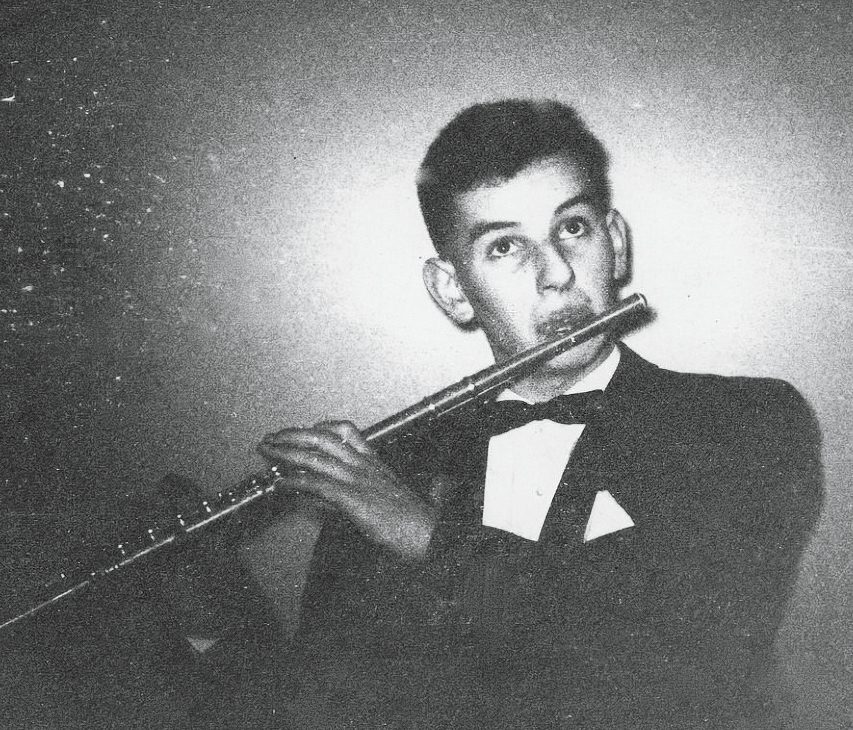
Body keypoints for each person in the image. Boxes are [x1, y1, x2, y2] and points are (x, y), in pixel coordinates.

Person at [233, 99, 823, 728]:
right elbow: (330, 697)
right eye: (506, 246)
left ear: (615, 243)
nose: (558, 275)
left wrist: (421, 533)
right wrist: (215, 613)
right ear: (454, 290)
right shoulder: (395, 465)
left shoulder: (743, 422)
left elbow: (672, 661)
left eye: (572, 229)